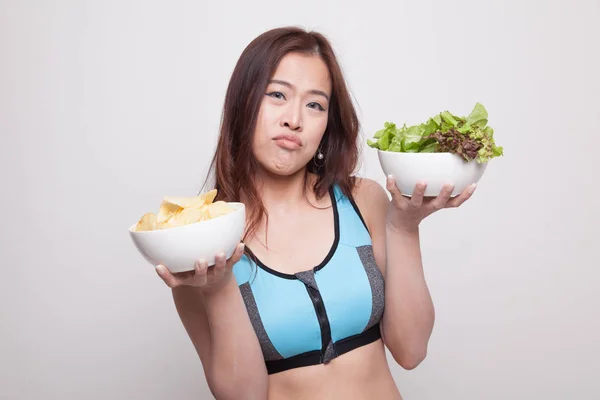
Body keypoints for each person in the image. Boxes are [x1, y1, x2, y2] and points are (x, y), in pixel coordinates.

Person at [154, 26, 476, 400]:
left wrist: (404, 228)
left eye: (315, 104)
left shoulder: (364, 200)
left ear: (327, 124)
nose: (295, 119)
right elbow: (244, 397)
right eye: (277, 94)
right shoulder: (201, 248)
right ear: (242, 103)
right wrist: (219, 289)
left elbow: (411, 350)